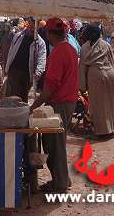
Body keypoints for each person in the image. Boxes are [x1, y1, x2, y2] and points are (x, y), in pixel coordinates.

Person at [30, 17, 78, 192]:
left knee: (53, 145)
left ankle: (60, 184)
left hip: (58, 103)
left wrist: (33, 107)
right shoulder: (71, 49)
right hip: (69, 100)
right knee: (59, 143)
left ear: (49, 33)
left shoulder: (58, 52)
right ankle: (63, 178)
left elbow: (51, 86)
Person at [79, 24, 114, 139]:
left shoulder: (85, 48)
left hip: (96, 76)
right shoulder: (106, 45)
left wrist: (82, 86)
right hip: (110, 73)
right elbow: (113, 62)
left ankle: (100, 131)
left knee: (97, 105)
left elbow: (82, 67)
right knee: (111, 102)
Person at [4, 17, 46, 103]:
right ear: (28, 26)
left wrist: (39, 71)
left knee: (24, 96)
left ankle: (23, 114)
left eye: (34, 28)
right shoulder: (18, 36)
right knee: (15, 95)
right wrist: (7, 67)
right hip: (15, 70)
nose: (32, 30)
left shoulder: (40, 43)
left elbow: (42, 58)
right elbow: (11, 52)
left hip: (28, 73)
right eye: (30, 27)